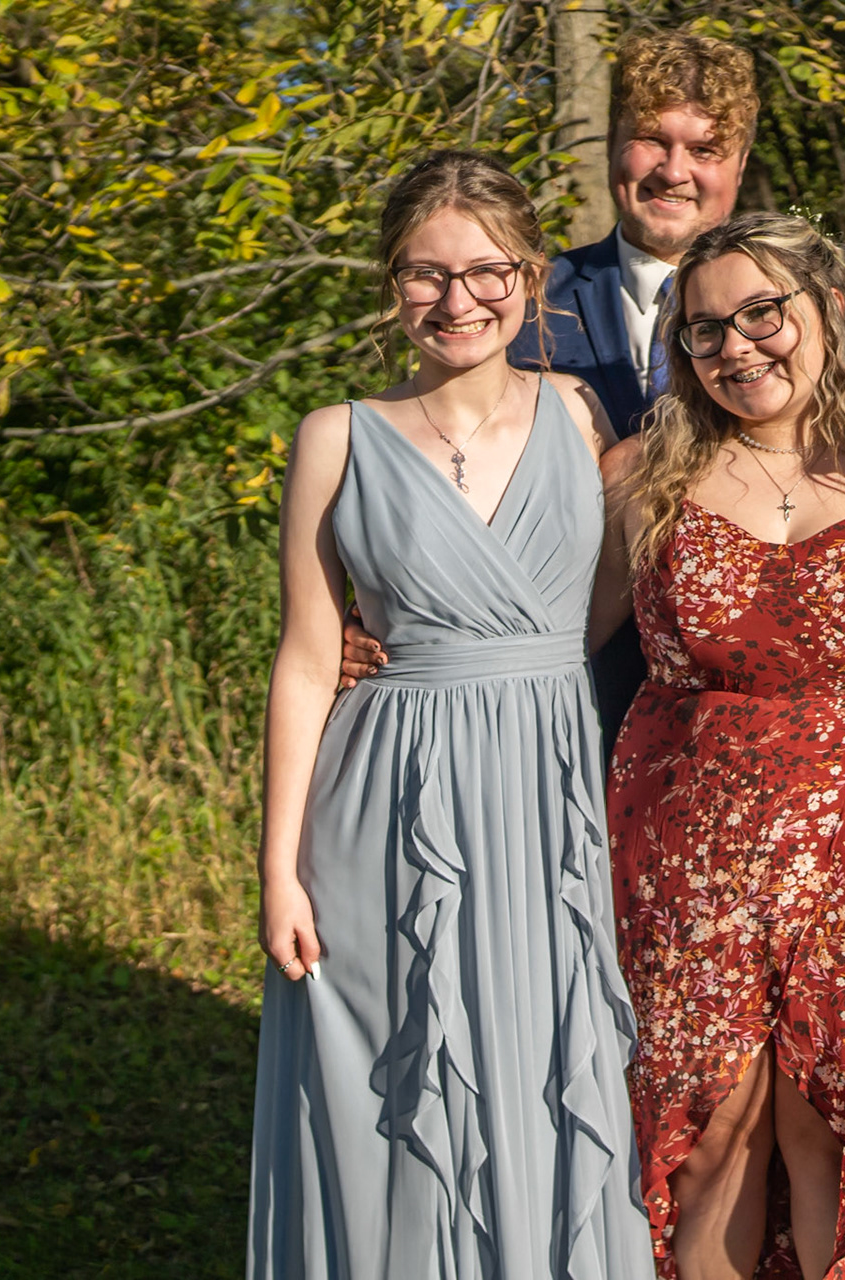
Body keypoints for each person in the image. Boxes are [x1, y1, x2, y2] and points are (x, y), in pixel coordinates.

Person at [247, 150, 653, 1279]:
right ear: (393, 284)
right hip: (387, 804)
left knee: (544, 1059)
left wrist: (515, 661)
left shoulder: (580, 413)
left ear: (530, 276)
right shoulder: (335, 434)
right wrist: (278, 870)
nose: (456, 299)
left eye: (485, 271)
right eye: (425, 274)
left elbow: (609, 603)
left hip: (543, 794)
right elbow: (305, 657)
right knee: (397, 1081)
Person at [346, 31, 845, 745]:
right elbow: (433, 464)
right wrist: (368, 616)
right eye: (651, 140)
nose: (674, 171)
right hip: (552, 708)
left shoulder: (834, 308)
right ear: (612, 143)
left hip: (772, 715)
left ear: (740, 162)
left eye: (705, 149)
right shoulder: (515, 301)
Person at [603, 211, 845, 1280]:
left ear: (833, 307)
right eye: (706, 328)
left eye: (763, 312)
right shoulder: (640, 475)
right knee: (708, 1128)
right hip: (684, 852)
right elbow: (539, 637)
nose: (737, 346)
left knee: (831, 1129)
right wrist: (371, 642)